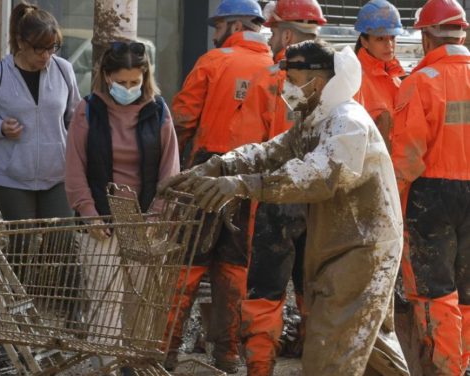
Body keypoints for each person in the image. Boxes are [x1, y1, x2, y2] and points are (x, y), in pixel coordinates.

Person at [161, 40, 410, 375]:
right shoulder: (316, 121)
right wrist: (218, 166)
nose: (287, 88)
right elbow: (271, 151)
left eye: (292, 78)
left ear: (318, 82)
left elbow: (318, 177)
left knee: (330, 351)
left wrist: (242, 186)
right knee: (369, 344)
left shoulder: (347, 121)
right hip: (344, 246)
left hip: (362, 250)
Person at [165, 0, 273, 372]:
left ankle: (166, 350)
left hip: (206, 172)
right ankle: (227, 353)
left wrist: (175, 168)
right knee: (234, 266)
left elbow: (182, 117)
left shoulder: (213, 61)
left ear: (235, 25)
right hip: (252, 180)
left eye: (219, 26)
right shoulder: (278, 68)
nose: (215, 35)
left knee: (187, 263)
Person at [64, 40, 179, 373]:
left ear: (145, 76)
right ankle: (109, 368)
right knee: (105, 301)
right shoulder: (88, 110)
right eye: (122, 82)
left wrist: (156, 215)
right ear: (106, 76)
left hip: (144, 221)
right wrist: (88, 214)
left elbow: (170, 169)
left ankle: (132, 365)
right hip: (101, 220)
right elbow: (75, 168)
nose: (129, 88)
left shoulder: (158, 110)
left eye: (135, 81)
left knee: (140, 301)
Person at [229, 0, 325, 373]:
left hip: (278, 198)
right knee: (315, 290)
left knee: (266, 290)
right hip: (323, 197)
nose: (268, 39)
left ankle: (260, 367)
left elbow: (250, 148)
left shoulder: (270, 77)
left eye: (271, 32)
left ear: (286, 33)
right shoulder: (342, 79)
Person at [391, 0, 470, 373]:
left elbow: (407, 159)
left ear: (426, 38)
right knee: (467, 291)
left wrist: (390, 201)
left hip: (431, 194)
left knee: (433, 290)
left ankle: (446, 368)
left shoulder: (419, 83)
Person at [0, 3, 79, 221]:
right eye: (40, 48)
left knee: (62, 242)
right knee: (23, 244)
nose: (46, 55)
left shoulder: (64, 70)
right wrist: (0, 127)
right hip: (11, 177)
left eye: (52, 48)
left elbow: (74, 117)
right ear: (21, 42)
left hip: (57, 174)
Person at [353, 0, 405, 151]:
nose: (389, 45)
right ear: (365, 42)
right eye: (380, 38)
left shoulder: (396, 80)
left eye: (392, 38)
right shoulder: (356, 81)